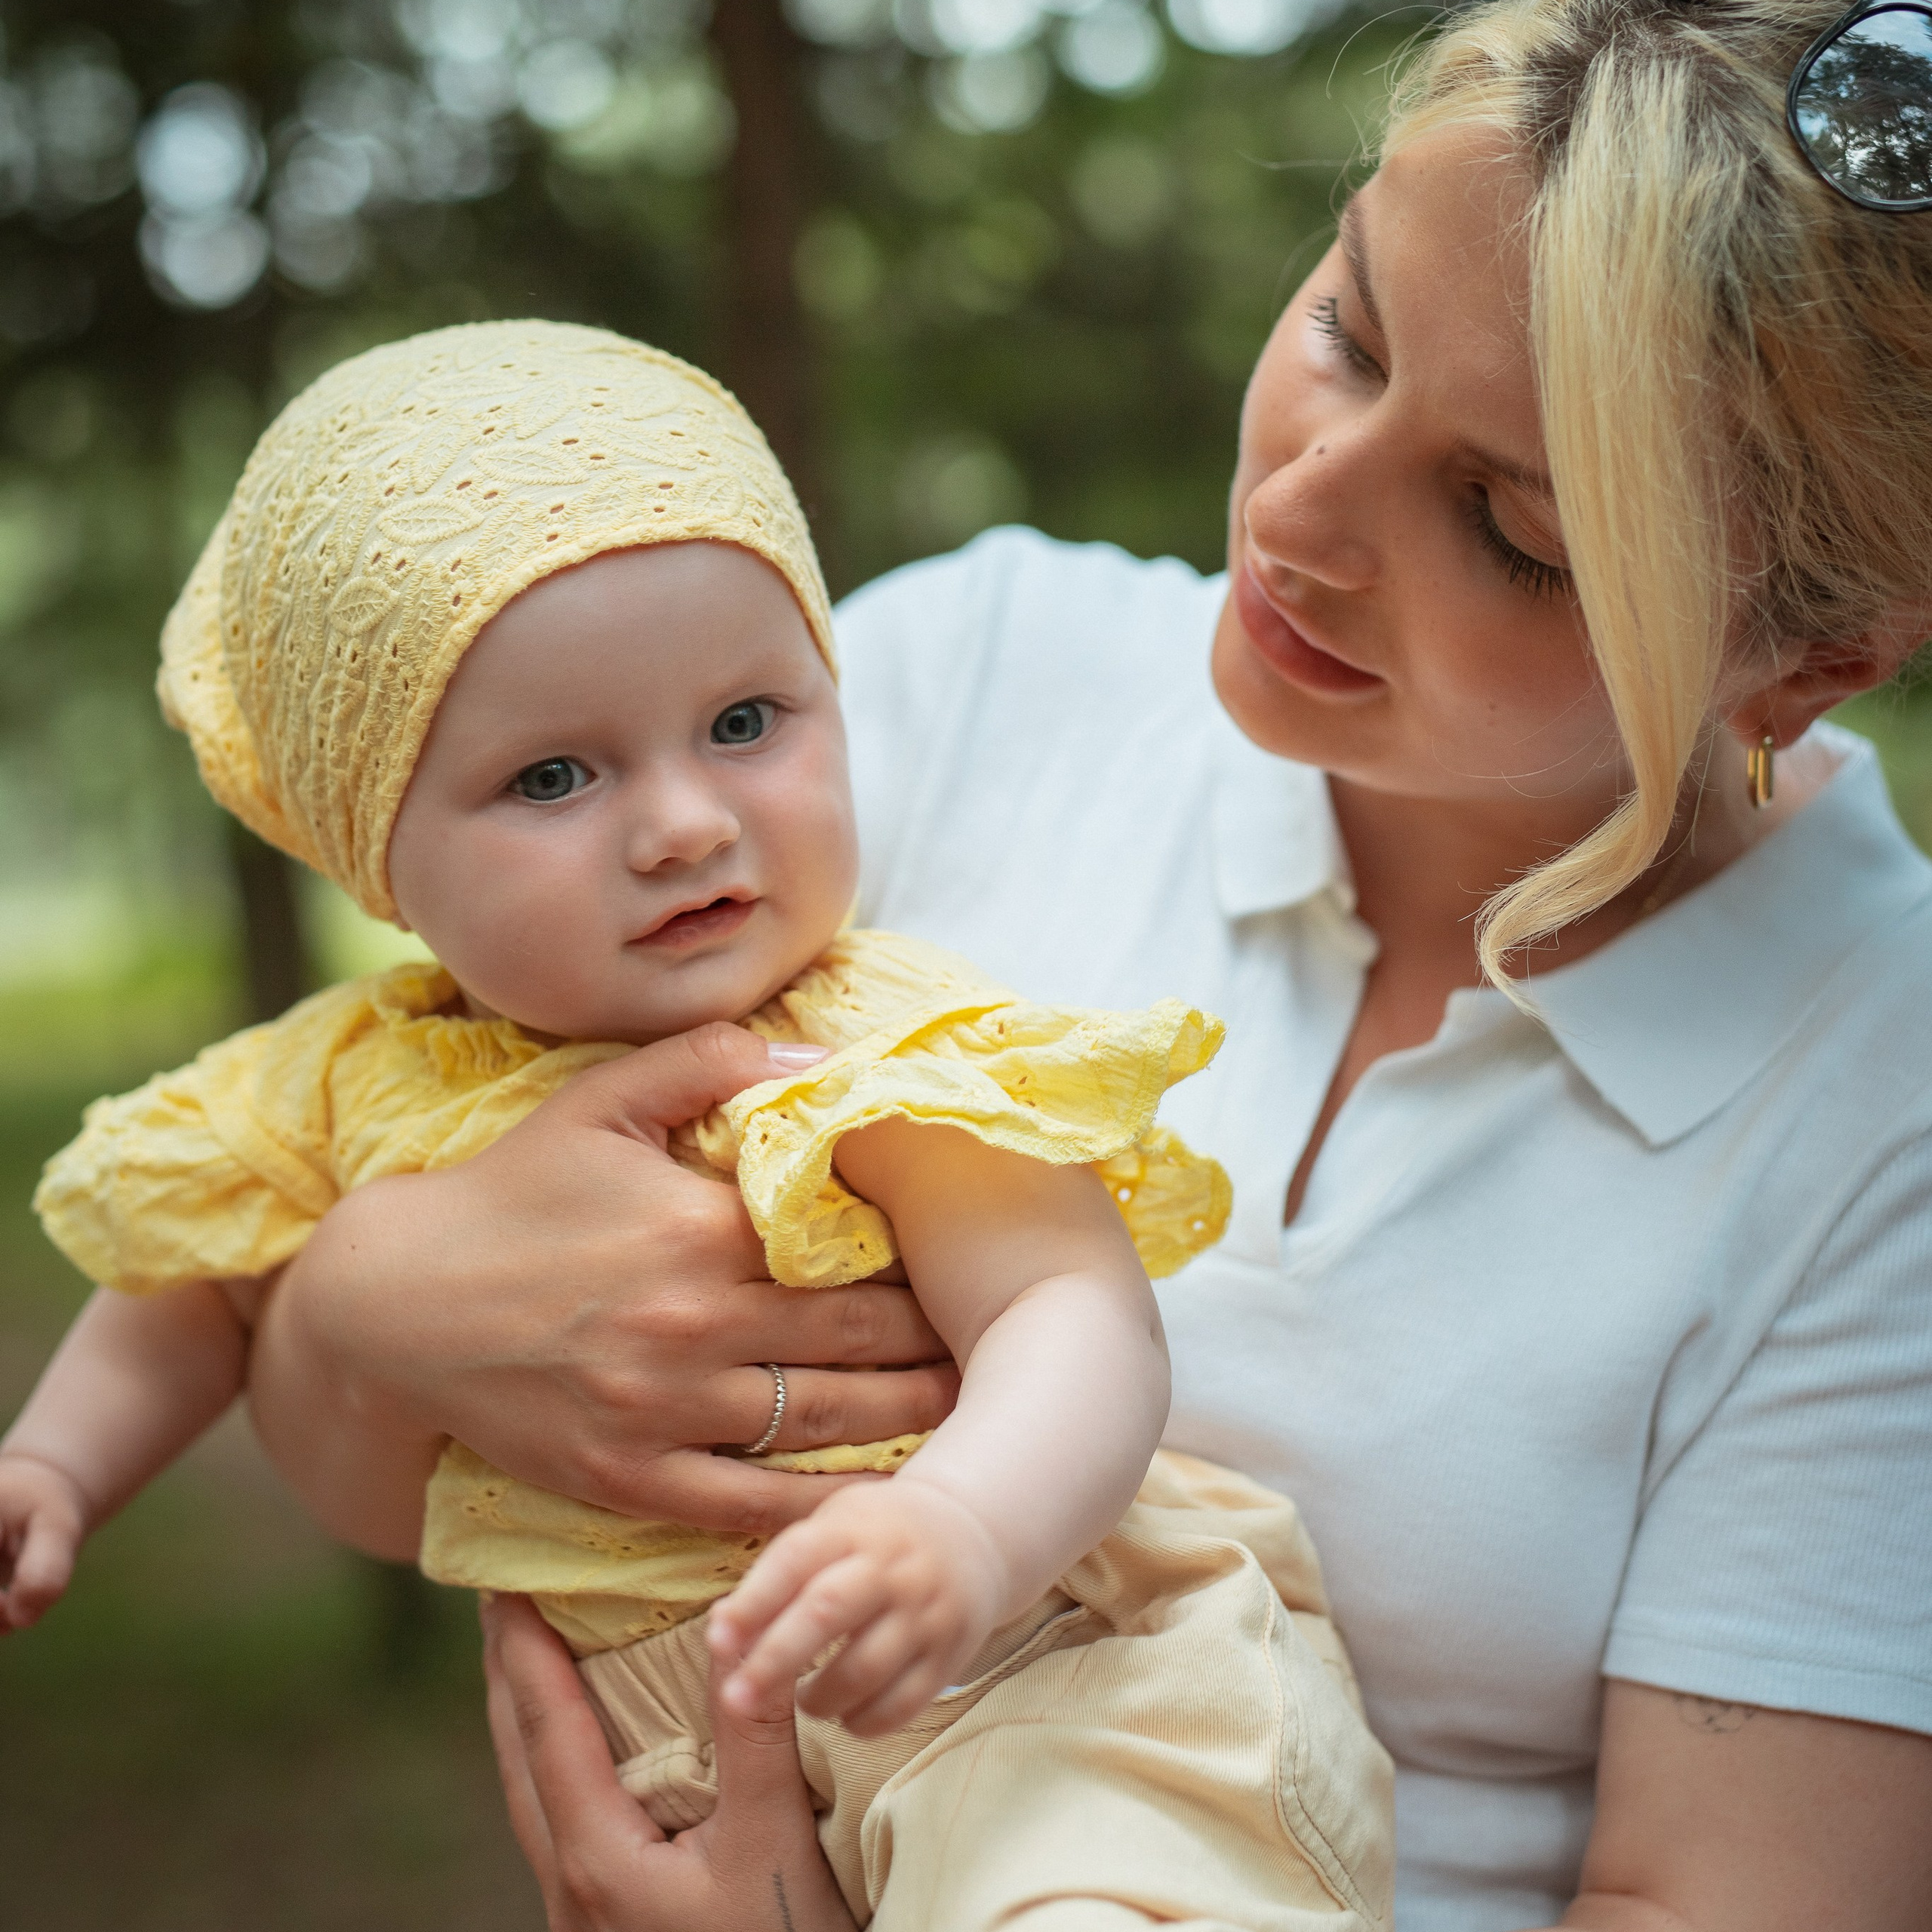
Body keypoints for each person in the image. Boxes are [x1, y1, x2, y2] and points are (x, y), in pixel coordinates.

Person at [99, 0, 1932, 1924]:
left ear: (1803, 657)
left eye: (1505, 528)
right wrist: (358, 1296)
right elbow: (375, 1460)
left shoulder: (1878, 1099)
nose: (1296, 512)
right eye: (1347, 329)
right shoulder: (946, 689)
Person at [0, 321, 1395, 1928]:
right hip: (671, 1762)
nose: (682, 820)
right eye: (552, 776)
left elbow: (1069, 1309)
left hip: (1028, 1677)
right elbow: (192, 1284)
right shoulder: (341, 1082)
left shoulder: (869, 1036)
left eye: (745, 722)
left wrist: (961, 1523)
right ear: (379, 856)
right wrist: (55, 1460)